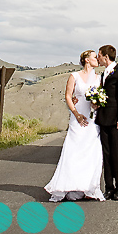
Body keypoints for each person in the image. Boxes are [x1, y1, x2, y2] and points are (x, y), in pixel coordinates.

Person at [44, 49, 105, 202]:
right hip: (77, 118)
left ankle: (87, 187)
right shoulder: (74, 76)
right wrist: (76, 114)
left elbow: (102, 96)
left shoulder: (99, 78)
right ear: (86, 60)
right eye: (94, 57)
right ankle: (68, 186)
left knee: (91, 152)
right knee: (73, 150)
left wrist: (97, 104)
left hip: (92, 119)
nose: (97, 59)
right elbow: (68, 95)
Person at [95, 44, 118, 201]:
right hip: (104, 120)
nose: (97, 58)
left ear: (105, 57)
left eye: (99, 55)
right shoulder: (103, 74)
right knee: (106, 155)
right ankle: (108, 187)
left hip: (117, 122)